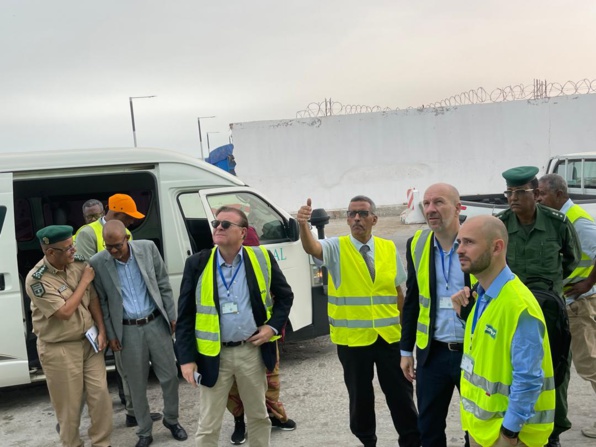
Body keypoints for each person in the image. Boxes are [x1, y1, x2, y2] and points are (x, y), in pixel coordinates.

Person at [297, 196, 420, 447]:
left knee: (401, 396)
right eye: (351, 214)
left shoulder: (387, 248)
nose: (356, 219)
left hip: (390, 338)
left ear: (374, 219)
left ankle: (410, 440)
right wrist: (303, 225)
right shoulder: (336, 247)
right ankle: (367, 441)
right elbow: (312, 247)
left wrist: (407, 336)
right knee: (360, 399)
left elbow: (398, 292)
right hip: (353, 342)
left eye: (362, 214)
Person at [175, 206, 294, 447]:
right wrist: (186, 359)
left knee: (259, 417)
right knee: (209, 424)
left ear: (243, 232)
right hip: (213, 355)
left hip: (251, 353)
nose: (218, 227)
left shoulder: (261, 258)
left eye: (226, 224)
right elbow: (185, 316)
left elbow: (285, 297)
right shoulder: (197, 263)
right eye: (216, 224)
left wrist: (271, 327)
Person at [451, 215, 556, 447]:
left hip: (509, 436)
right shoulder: (482, 295)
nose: (459, 250)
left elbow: (528, 378)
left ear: (497, 247)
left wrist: (509, 433)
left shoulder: (519, 305)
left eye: (469, 242)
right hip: (482, 429)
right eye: (459, 242)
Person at [497, 166, 581, 447]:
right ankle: (514, 427)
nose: (513, 198)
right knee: (515, 371)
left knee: (555, 372)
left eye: (519, 192)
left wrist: (551, 290)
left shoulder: (557, 222)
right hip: (513, 313)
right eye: (509, 192)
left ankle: (553, 432)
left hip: (551, 312)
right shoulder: (501, 225)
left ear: (535, 193)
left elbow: (571, 259)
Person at [89, 220, 187, 447]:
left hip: (156, 323)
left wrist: (171, 316)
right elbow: (102, 302)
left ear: (127, 239)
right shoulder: (99, 262)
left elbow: (163, 282)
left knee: (170, 376)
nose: (113, 251)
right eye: (108, 246)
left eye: (117, 246)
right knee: (135, 384)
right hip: (127, 330)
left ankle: (172, 420)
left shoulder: (147, 248)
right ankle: (144, 430)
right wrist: (112, 333)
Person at [76, 193, 159, 428]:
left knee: (125, 365)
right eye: (130, 217)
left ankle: (134, 411)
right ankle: (70, 422)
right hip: (93, 308)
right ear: (120, 213)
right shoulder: (87, 232)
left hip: (117, 308)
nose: (132, 222)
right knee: (90, 369)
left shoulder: (125, 232)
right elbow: (86, 272)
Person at [25, 225, 112, 447]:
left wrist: (102, 331)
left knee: (100, 395)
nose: (73, 250)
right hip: (59, 349)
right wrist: (84, 282)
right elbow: (64, 312)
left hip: (89, 342)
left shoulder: (79, 263)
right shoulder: (37, 280)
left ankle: (102, 443)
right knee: (69, 407)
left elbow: (92, 299)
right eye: (67, 248)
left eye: (72, 245)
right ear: (50, 252)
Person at [400, 183, 471, 447]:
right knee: (428, 428)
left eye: (438, 203)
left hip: (473, 351)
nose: (430, 209)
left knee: (476, 426)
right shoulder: (417, 244)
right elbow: (413, 301)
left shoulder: (476, 240)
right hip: (433, 353)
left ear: (457, 207)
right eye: (426, 204)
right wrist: (406, 351)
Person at [537, 173, 596, 439]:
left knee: (590, 364)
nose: (538, 198)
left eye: (542, 194)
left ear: (559, 195)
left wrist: (587, 284)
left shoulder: (578, 222)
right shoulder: (557, 219)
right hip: (566, 303)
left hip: (579, 304)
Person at [226, 232, 296, 446]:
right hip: (230, 339)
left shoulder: (261, 256)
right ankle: (239, 421)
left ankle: (275, 415)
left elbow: (281, 295)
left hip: (263, 338)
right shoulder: (219, 260)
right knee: (234, 386)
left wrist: (274, 328)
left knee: (270, 380)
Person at [75, 193, 143, 261]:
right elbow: (84, 267)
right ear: (117, 214)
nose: (131, 222)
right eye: (128, 217)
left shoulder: (127, 232)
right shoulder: (87, 233)